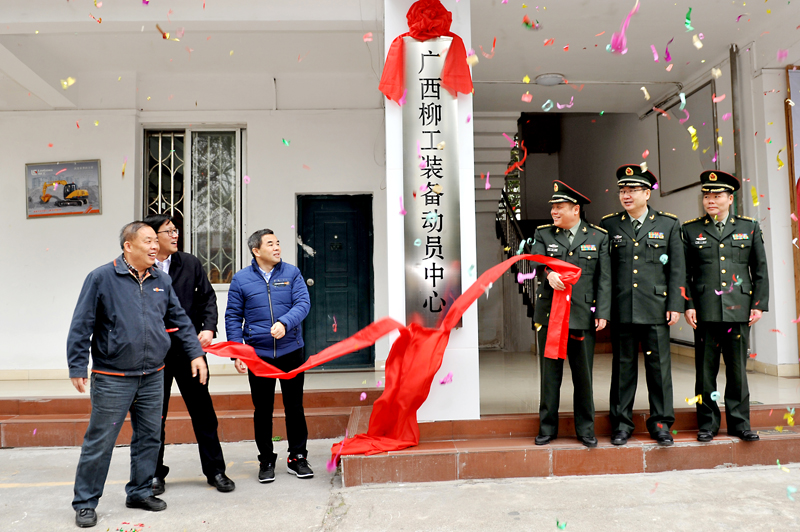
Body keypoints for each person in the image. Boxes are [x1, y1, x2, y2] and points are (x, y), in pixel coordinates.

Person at [67, 222, 208, 528]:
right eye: (148, 241)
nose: (155, 246)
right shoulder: (102, 278)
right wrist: (77, 365)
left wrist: (196, 353)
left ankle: (140, 492)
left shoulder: (161, 279)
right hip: (112, 376)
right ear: (128, 246)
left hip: (153, 374)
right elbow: (82, 323)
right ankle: (86, 502)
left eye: (156, 240)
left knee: (149, 437)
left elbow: (180, 319)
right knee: (100, 441)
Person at [143, 214, 235, 495]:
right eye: (168, 231)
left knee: (203, 412)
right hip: (154, 353)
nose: (175, 235)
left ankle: (215, 471)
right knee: (154, 416)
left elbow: (208, 298)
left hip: (189, 351)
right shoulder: (140, 267)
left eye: (176, 230)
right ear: (152, 237)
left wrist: (208, 328)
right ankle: (153, 474)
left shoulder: (190, 263)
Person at [601, 165, 686, 447]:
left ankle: (661, 424)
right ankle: (621, 425)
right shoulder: (609, 225)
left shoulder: (668, 224)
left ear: (647, 193)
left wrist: (675, 304)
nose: (626, 195)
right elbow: (605, 272)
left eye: (632, 190)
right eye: (622, 191)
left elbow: (677, 268)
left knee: (659, 369)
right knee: (623, 369)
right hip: (622, 307)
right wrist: (604, 309)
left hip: (656, 307)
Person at [682, 170, 769, 442]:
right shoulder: (690, 229)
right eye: (706, 196)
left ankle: (740, 423)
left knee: (737, 370)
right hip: (705, 309)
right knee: (705, 372)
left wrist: (758, 304)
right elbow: (685, 273)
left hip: (739, 308)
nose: (710, 200)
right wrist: (688, 304)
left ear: (730, 199)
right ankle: (707, 424)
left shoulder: (748, 227)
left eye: (717, 195)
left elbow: (760, 269)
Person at [225, 229, 312, 483]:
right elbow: (233, 317)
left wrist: (285, 323)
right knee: (262, 409)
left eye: (278, 243)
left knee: (294, 407)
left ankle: (298, 457)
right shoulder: (241, 279)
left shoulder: (292, 273)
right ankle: (266, 459)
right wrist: (237, 353)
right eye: (270, 244)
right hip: (259, 355)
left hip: (291, 350)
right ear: (256, 250)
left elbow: (303, 304)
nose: (277, 248)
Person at [530, 181, 611, 448]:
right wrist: (549, 274)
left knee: (583, 376)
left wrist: (602, 311)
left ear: (575, 209)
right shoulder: (543, 233)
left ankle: (586, 429)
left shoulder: (598, 236)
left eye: (559, 207)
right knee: (550, 376)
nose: (553, 211)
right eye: (552, 207)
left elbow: (604, 278)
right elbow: (537, 261)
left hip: (582, 315)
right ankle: (547, 428)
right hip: (550, 316)